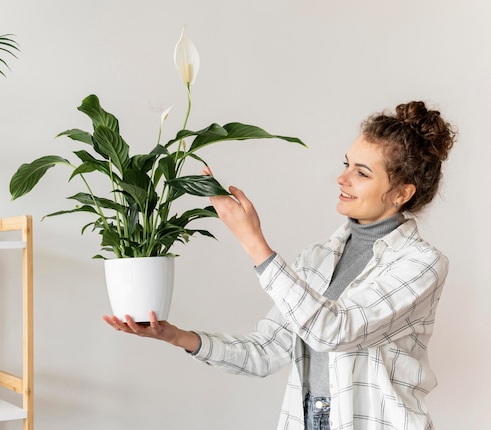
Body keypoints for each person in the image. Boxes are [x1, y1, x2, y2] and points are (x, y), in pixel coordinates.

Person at [103, 100, 456, 430]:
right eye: (345, 164)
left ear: (401, 193)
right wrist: (175, 335)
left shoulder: (421, 264)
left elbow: (333, 331)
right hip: (307, 417)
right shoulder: (319, 258)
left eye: (362, 173)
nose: (342, 178)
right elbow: (265, 351)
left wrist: (253, 242)